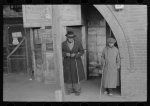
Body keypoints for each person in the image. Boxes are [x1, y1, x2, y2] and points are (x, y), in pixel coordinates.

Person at [62, 31, 85, 96]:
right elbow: (60, 52)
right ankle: (69, 90)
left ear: (73, 37)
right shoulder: (63, 44)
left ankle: (77, 91)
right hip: (67, 62)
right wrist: (65, 54)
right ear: (67, 37)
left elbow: (82, 51)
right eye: (69, 38)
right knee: (68, 76)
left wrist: (76, 55)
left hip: (76, 62)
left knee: (76, 76)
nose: (71, 39)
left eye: (72, 38)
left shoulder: (78, 43)